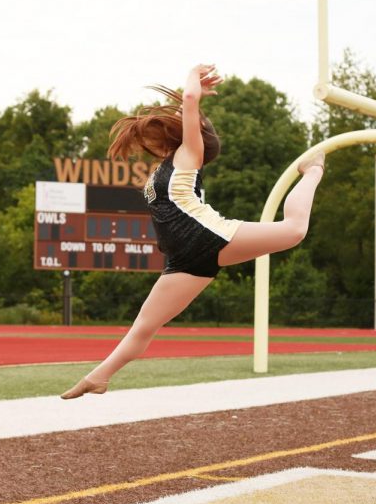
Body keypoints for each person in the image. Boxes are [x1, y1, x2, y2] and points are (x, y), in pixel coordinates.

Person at [61, 64, 325, 399]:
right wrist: (187, 102)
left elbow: (187, 99)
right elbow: (183, 107)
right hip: (183, 259)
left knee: (294, 230)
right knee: (145, 326)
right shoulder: (170, 162)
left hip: (205, 235)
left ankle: (313, 168)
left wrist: (192, 78)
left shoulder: (190, 155)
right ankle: (98, 377)